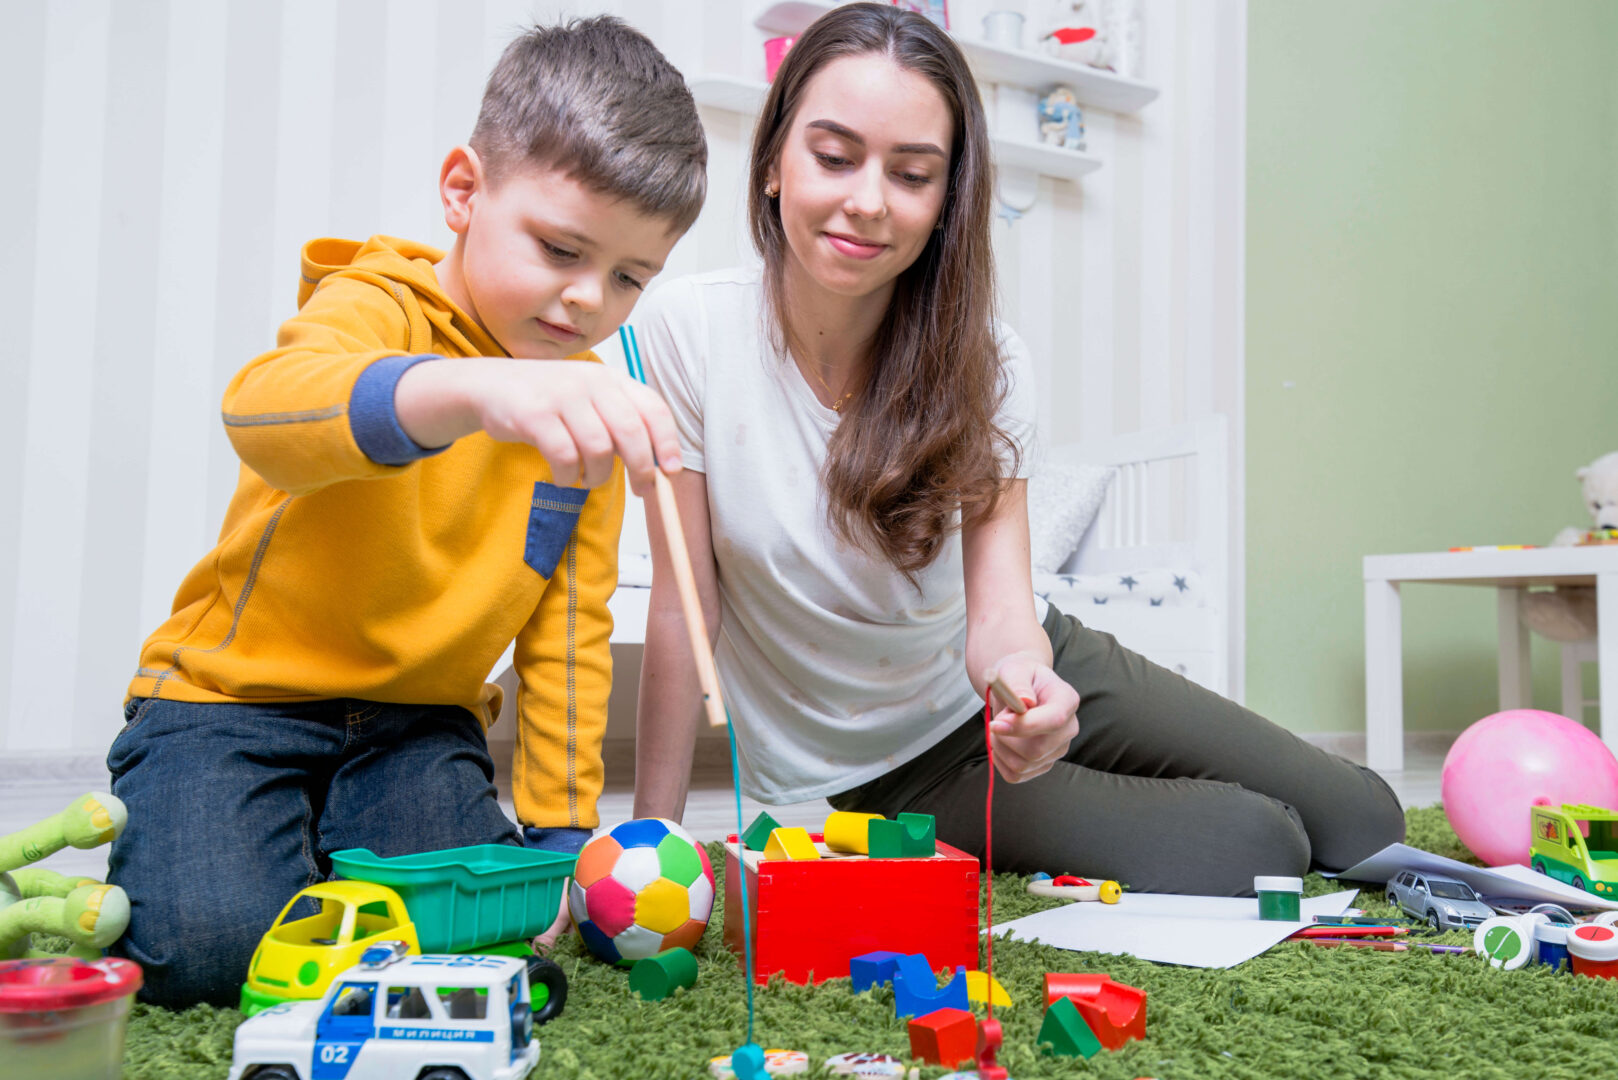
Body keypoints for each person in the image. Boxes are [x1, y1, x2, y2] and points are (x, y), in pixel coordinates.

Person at [630, 2, 1403, 896]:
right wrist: (650, 837)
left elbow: (1000, 611)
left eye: (911, 174)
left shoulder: (986, 362)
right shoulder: (688, 333)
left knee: (1366, 820)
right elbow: (686, 609)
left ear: (944, 200)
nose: (868, 201)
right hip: (899, 776)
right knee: (1260, 842)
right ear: (773, 162)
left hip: (1030, 672)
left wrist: (1031, 682)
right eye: (834, 157)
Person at [106, 16, 703, 1007]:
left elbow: (567, 636)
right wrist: (477, 392)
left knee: (483, 929)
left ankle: (323, 853)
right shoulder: (374, 303)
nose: (588, 300)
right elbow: (263, 410)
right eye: (559, 249)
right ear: (463, 192)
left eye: (630, 276)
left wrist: (560, 831)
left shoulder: (583, 406)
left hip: (415, 728)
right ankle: (253, 835)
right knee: (207, 953)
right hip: (228, 706)